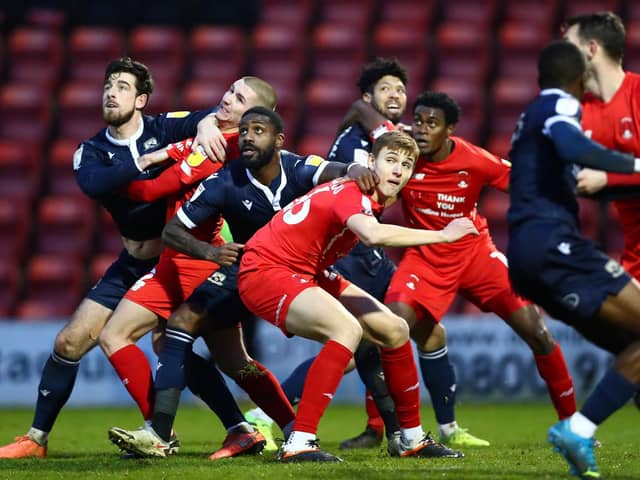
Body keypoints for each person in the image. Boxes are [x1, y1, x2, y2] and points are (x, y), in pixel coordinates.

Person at [106, 106, 382, 458]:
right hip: (253, 271)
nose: (249, 136)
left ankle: (395, 432)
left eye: (258, 130)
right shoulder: (226, 180)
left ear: (278, 140)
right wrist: (208, 252)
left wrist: (358, 168)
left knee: (378, 331)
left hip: (300, 271)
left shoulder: (298, 167)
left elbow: (336, 170)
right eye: (246, 131)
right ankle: (180, 432)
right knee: (205, 341)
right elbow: (173, 231)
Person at [0, 57, 226, 459]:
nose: (111, 91)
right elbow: (95, 184)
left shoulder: (162, 127)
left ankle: (201, 430)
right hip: (131, 261)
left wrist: (206, 124)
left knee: (168, 344)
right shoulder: (91, 151)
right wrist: (146, 161)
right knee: (69, 341)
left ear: (141, 99)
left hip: (175, 259)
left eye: (122, 86)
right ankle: (36, 440)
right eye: (108, 84)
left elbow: (212, 114)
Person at [239, 130, 477, 462]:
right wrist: (443, 235)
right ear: (370, 162)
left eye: (406, 164)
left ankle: (409, 439)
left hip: (306, 270)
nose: (398, 170)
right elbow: (372, 234)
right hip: (266, 271)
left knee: (395, 330)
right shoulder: (354, 193)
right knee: (347, 331)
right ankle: (299, 441)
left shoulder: (364, 196)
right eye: (390, 161)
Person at [98, 78, 297, 459]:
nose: (226, 98)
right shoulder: (209, 134)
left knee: (226, 358)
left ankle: (283, 429)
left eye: (239, 98)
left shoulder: (226, 149)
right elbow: (170, 154)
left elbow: (151, 190)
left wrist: (108, 178)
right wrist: (174, 145)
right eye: (230, 90)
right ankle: (242, 429)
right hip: (175, 261)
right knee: (140, 340)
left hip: (198, 263)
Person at [380, 91, 578, 446]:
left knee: (537, 331)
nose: (422, 130)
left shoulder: (474, 159)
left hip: (475, 255)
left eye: (432, 124)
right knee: (389, 327)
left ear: (450, 130)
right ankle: (401, 431)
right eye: (419, 121)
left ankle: (572, 424)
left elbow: (523, 186)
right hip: (424, 258)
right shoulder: (403, 157)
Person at [507, 40, 640, 479]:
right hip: (553, 245)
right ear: (578, 78)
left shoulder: (531, 117)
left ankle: (580, 432)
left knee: (631, 348)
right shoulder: (560, 107)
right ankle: (578, 429)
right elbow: (572, 144)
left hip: (528, 257)